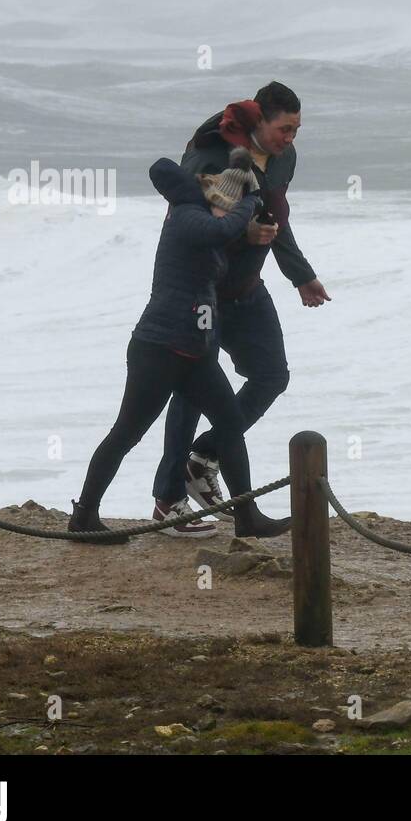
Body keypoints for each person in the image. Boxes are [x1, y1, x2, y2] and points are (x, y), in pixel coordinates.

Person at [68, 152, 290, 543]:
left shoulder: (212, 220)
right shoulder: (187, 217)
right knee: (127, 433)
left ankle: (247, 516)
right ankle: (85, 514)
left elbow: (232, 248)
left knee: (230, 425)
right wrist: (251, 203)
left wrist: (257, 218)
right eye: (232, 209)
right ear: (221, 203)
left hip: (196, 351)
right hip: (159, 348)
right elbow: (219, 232)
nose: (232, 218)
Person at [151, 82, 330, 537]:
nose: (290, 138)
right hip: (203, 293)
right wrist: (240, 233)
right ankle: (168, 501)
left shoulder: (285, 158)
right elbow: (186, 213)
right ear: (259, 122)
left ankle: (204, 458)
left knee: (272, 375)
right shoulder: (212, 151)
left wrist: (301, 275)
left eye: (297, 129)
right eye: (283, 129)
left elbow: (276, 217)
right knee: (190, 392)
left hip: (247, 289)